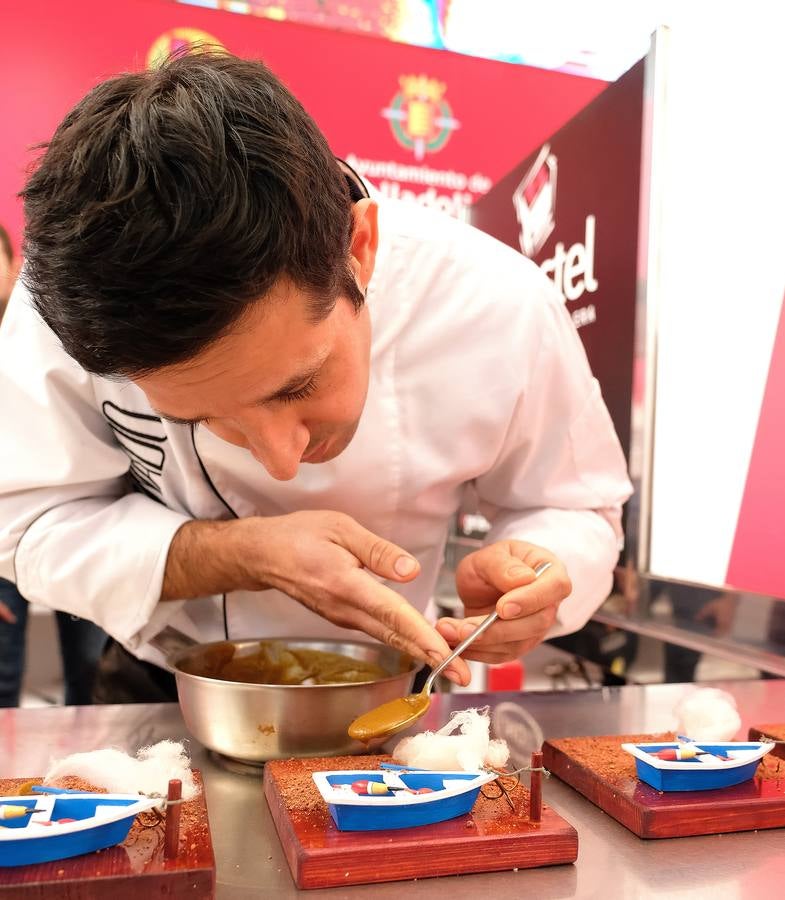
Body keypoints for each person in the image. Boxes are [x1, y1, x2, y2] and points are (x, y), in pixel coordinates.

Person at [0, 52, 632, 703]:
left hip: (389, 690)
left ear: (358, 251)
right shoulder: (69, 309)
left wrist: (535, 566)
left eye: (296, 386)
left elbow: (571, 502)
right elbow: (28, 523)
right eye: (203, 419)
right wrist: (244, 552)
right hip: (163, 683)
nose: (282, 464)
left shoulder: (497, 302)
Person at [0, 224, 107, 705]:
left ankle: (88, 777)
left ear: (16, 266)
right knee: (1, 673)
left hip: (86, 521)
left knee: (93, 670)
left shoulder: (67, 331)